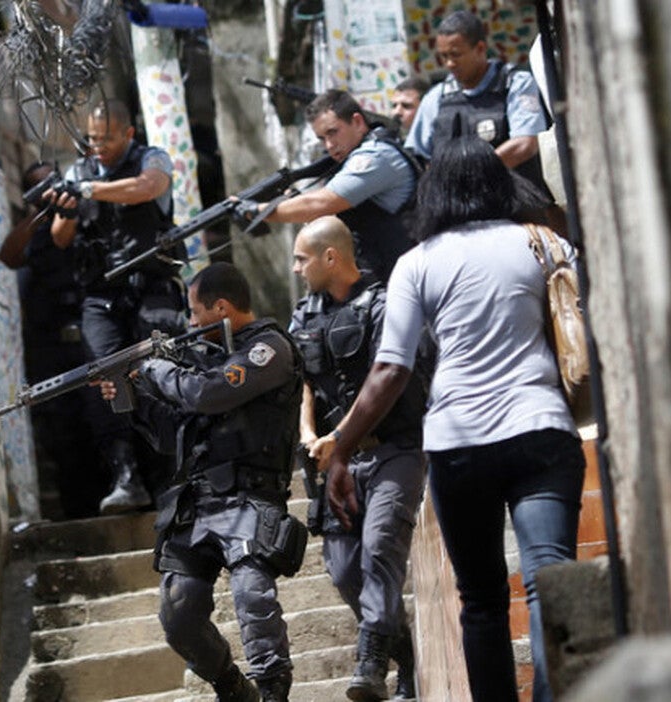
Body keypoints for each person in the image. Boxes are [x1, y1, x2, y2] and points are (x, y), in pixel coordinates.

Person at [312, 138, 583, 702]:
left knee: (481, 601)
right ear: (500, 186)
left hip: (459, 447)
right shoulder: (544, 244)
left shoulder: (417, 263)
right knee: (549, 582)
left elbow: (390, 370)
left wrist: (342, 446)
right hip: (542, 429)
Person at [98, 263, 305, 701]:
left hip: (251, 497)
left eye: (195, 314)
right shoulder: (204, 357)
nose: (190, 324)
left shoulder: (269, 349)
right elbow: (177, 430)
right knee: (179, 613)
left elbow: (209, 395)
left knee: (252, 594)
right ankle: (232, 687)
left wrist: (153, 369)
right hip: (200, 502)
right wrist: (132, 400)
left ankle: (272, 691)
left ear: (222, 308)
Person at [288, 216, 428, 702]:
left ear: (331, 257)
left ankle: (370, 662)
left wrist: (339, 435)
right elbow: (301, 381)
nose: (295, 268)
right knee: (345, 570)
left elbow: (383, 380)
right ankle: (404, 653)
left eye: (302, 258)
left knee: (381, 546)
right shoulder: (303, 315)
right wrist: (311, 434)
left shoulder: (384, 305)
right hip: (334, 462)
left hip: (393, 449)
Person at [50, 99, 186, 514]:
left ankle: (174, 477)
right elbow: (60, 237)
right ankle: (126, 476)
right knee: (102, 381)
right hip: (100, 293)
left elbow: (147, 188)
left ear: (127, 134)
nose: (97, 147)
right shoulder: (79, 171)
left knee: (161, 377)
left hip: (152, 288)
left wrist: (89, 190)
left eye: (106, 139)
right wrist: (68, 208)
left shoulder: (152, 159)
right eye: (91, 139)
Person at [0, 161, 104, 519]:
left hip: (89, 338)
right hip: (52, 348)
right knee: (63, 435)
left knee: (101, 423)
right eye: (40, 187)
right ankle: (79, 515)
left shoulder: (85, 215)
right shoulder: (35, 232)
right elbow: (8, 254)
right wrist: (43, 212)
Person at [238, 89, 422, 283]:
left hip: (399, 281)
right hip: (378, 278)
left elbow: (321, 203)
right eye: (322, 138)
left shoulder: (375, 156)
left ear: (358, 122)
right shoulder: (352, 156)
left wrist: (256, 211)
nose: (329, 145)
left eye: (333, 132)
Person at [405, 10, 552, 196]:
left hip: (514, 203)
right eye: (443, 56)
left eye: (455, 54)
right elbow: (419, 156)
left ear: (480, 48)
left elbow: (525, 144)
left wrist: (470, 177)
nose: (449, 63)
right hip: (457, 210)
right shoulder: (437, 97)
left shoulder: (515, 83)